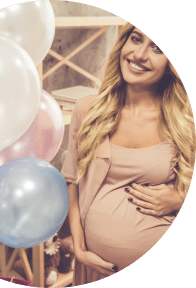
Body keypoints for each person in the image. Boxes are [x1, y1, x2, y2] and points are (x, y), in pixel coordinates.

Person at [61, 22, 196, 286]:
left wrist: (181, 200)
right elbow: (71, 182)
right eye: (136, 39)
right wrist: (79, 248)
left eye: (157, 47)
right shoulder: (87, 110)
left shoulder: (184, 123)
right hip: (94, 269)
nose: (139, 55)